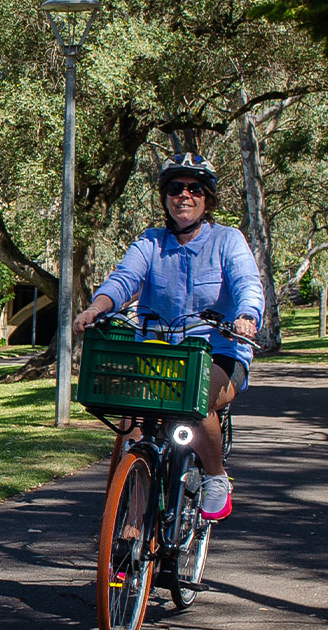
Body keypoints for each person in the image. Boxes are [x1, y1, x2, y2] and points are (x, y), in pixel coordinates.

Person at [73, 151, 262, 520]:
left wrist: (245, 317)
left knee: (194, 399)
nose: (184, 196)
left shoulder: (228, 240)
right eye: (175, 188)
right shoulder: (151, 242)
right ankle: (129, 528)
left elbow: (246, 283)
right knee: (130, 426)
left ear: (207, 199)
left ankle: (216, 477)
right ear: (165, 197)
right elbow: (125, 278)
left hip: (217, 353)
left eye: (195, 189)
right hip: (157, 355)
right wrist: (98, 308)